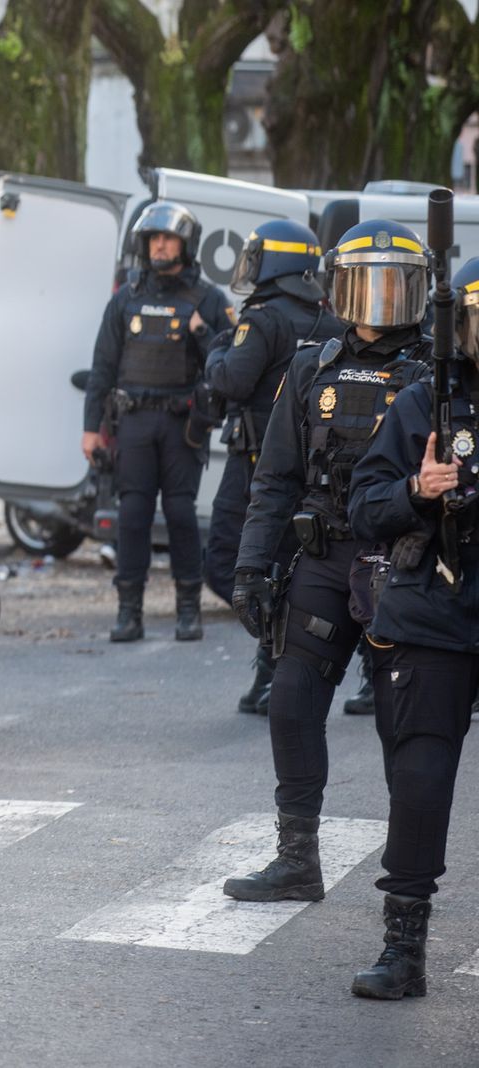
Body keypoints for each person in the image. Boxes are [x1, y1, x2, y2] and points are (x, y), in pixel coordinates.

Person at [224, 219, 432, 904]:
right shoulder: (312, 366)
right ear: (339, 288)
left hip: (405, 566)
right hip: (323, 556)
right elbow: (276, 479)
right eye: (362, 283)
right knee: (290, 703)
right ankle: (297, 859)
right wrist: (252, 568)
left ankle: (408, 882)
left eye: (391, 285)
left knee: (406, 728)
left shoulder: (438, 377)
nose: (375, 300)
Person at [344, 253, 479, 999]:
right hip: (436, 602)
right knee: (421, 776)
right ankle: (404, 951)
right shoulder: (424, 403)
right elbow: (366, 505)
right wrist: (417, 489)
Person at [202, 220, 344, 715]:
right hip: (308, 468)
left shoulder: (260, 319)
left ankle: (273, 654)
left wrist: (216, 349)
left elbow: (233, 381)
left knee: (227, 558)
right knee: (285, 565)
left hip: (254, 464)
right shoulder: (329, 320)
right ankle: (274, 669)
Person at [82, 201, 232, 642]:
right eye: (154, 239)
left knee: (182, 515)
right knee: (132, 516)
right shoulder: (126, 298)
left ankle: (189, 609)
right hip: (133, 423)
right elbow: (102, 367)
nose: (160, 246)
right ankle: (129, 611)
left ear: (186, 246)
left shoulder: (208, 299)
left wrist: (203, 333)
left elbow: (228, 367)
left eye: (168, 239)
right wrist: (91, 428)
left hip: (182, 426)